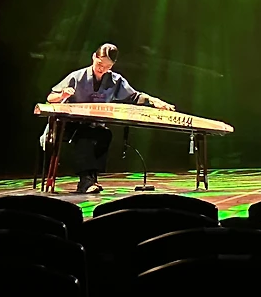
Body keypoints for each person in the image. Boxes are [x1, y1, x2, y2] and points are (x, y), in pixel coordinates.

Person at [44, 43, 174, 194]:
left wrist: (154, 101)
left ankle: (92, 177)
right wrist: (63, 95)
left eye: (107, 66)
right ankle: (85, 180)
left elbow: (134, 96)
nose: (102, 69)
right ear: (94, 57)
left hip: (94, 125)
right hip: (69, 124)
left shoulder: (115, 80)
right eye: (100, 64)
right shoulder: (77, 76)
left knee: (105, 134)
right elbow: (50, 98)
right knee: (86, 134)